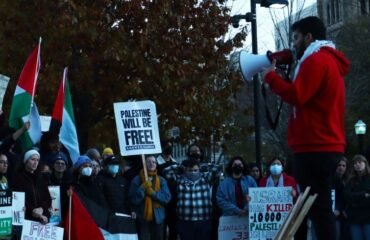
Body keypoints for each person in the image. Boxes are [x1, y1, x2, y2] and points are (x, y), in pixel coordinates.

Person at [261, 16, 349, 240]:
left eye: (297, 37)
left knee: (318, 210)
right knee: (316, 208)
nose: (294, 43)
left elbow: (298, 95)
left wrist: (271, 78)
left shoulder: (316, 61)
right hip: (322, 144)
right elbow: (303, 94)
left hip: (315, 146)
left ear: (309, 37)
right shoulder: (323, 60)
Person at [173, 159, 221, 240]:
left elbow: (217, 168)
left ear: (199, 170)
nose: (193, 172)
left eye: (195, 170)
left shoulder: (205, 179)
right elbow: (166, 171)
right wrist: (181, 166)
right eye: (190, 170)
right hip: (185, 221)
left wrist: (201, 165)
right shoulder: (180, 180)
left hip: (204, 220)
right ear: (185, 170)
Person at [128, 155, 171, 240]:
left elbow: (167, 198)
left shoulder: (161, 180)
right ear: (144, 164)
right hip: (143, 218)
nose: (152, 164)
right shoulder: (136, 180)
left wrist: (153, 194)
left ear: (156, 164)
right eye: (149, 162)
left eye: (154, 162)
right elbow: (133, 200)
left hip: (158, 218)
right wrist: (142, 188)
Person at [12, 149, 52, 224]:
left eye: (37, 160)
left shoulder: (41, 179)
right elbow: (19, 199)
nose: (35, 162)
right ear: (26, 161)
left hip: (42, 219)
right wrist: (34, 211)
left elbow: (48, 198)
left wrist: (42, 209)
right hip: (25, 219)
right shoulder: (18, 178)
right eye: (33, 159)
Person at [156, 141, 179, 240]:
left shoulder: (175, 163)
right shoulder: (156, 162)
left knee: (174, 229)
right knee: (161, 230)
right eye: (166, 146)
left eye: (170, 146)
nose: (169, 148)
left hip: (174, 200)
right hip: (161, 200)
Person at [344, 155, 370, 239]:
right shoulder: (350, 180)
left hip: (368, 217)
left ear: (365, 163)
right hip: (354, 217)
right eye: (355, 163)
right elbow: (348, 196)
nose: (357, 164)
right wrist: (363, 195)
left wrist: (356, 197)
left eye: (360, 162)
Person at [334, 157, 351, 240]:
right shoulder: (330, 179)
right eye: (339, 165)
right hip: (335, 213)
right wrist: (338, 209)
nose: (341, 167)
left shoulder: (349, 180)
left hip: (348, 214)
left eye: (344, 166)